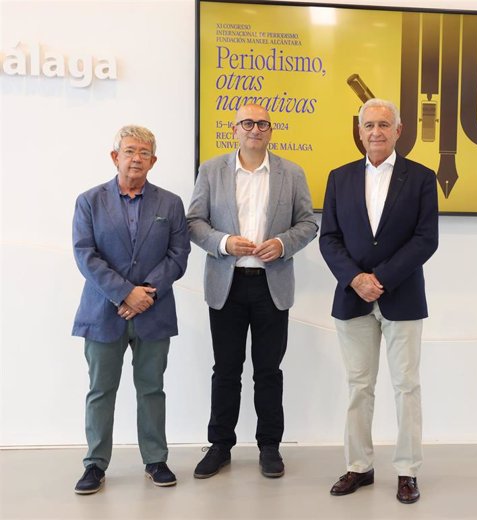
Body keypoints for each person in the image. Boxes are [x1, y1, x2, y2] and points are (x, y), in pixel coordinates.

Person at [187, 103, 318, 479]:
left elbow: (308, 224)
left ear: (270, 130)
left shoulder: (291, 173)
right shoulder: (212, 170)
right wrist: (225, 242)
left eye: (262, 123)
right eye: (248, 123)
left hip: (270, 285)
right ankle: (220, 446)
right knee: (225, 370)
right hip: (226, 285)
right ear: (235, 129)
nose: (255, 129)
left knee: (268, 371)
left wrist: (283, 243)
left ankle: (270, 447)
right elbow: (195, 222)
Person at [319, 98, 439, 504]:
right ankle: (358, 467)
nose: (376, 132)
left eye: (384, 125)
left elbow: (426, 239)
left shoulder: (421, 178)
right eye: (368, 125)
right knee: (359, 387)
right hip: (351, 299)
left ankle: (407, 470)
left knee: (407, 386)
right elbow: (329, 238)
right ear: (359, 130)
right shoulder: (339, 178)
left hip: (402, 297)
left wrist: (380, 279)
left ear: (398, 130)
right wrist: (356, 279)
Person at [71, 125, 191, 494]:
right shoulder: (89, 201)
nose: (136, 158)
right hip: (104, 312)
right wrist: (125, 294)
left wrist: (146, 293)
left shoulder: (170, 203)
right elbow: (85, 254)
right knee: (100, 390)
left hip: (153, 313)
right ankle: (94, 464)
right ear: (115, 157)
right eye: (129, 151)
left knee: (152, 388)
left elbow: (179, 254)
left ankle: (155, 460)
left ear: (153, 161)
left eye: (144, 152)